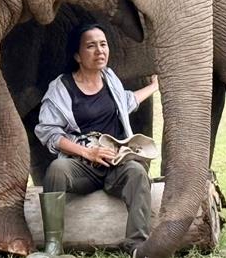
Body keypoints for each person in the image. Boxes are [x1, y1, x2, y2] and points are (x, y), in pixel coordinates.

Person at [30, 22, 159, 258]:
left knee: (137, 172)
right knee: (57, 169)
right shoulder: (61, 87)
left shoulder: (110, 78)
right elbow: (48, 132)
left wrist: (154, 86)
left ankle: (138, 247)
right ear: (78, 55)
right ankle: (53, 248)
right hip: (83, 165)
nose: (100, 51)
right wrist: (88, 153)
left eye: (103, 44)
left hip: (115, 164)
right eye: (91, 46)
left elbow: (127, 101)